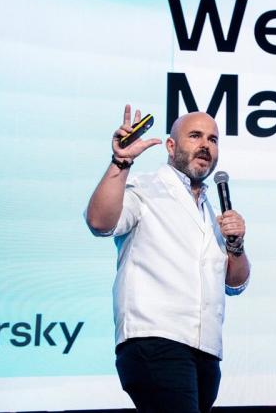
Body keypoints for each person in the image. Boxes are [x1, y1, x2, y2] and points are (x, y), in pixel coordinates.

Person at [84, 105, 250, 413]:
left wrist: (236, 244)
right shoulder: (144, 188)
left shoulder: (213, 214)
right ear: (171, 146)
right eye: (195, 136)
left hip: (205, 351)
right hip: (155, 340)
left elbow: (235, 283)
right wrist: (121, 162)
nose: (205, 145)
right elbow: (99, 222)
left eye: (213, 139)